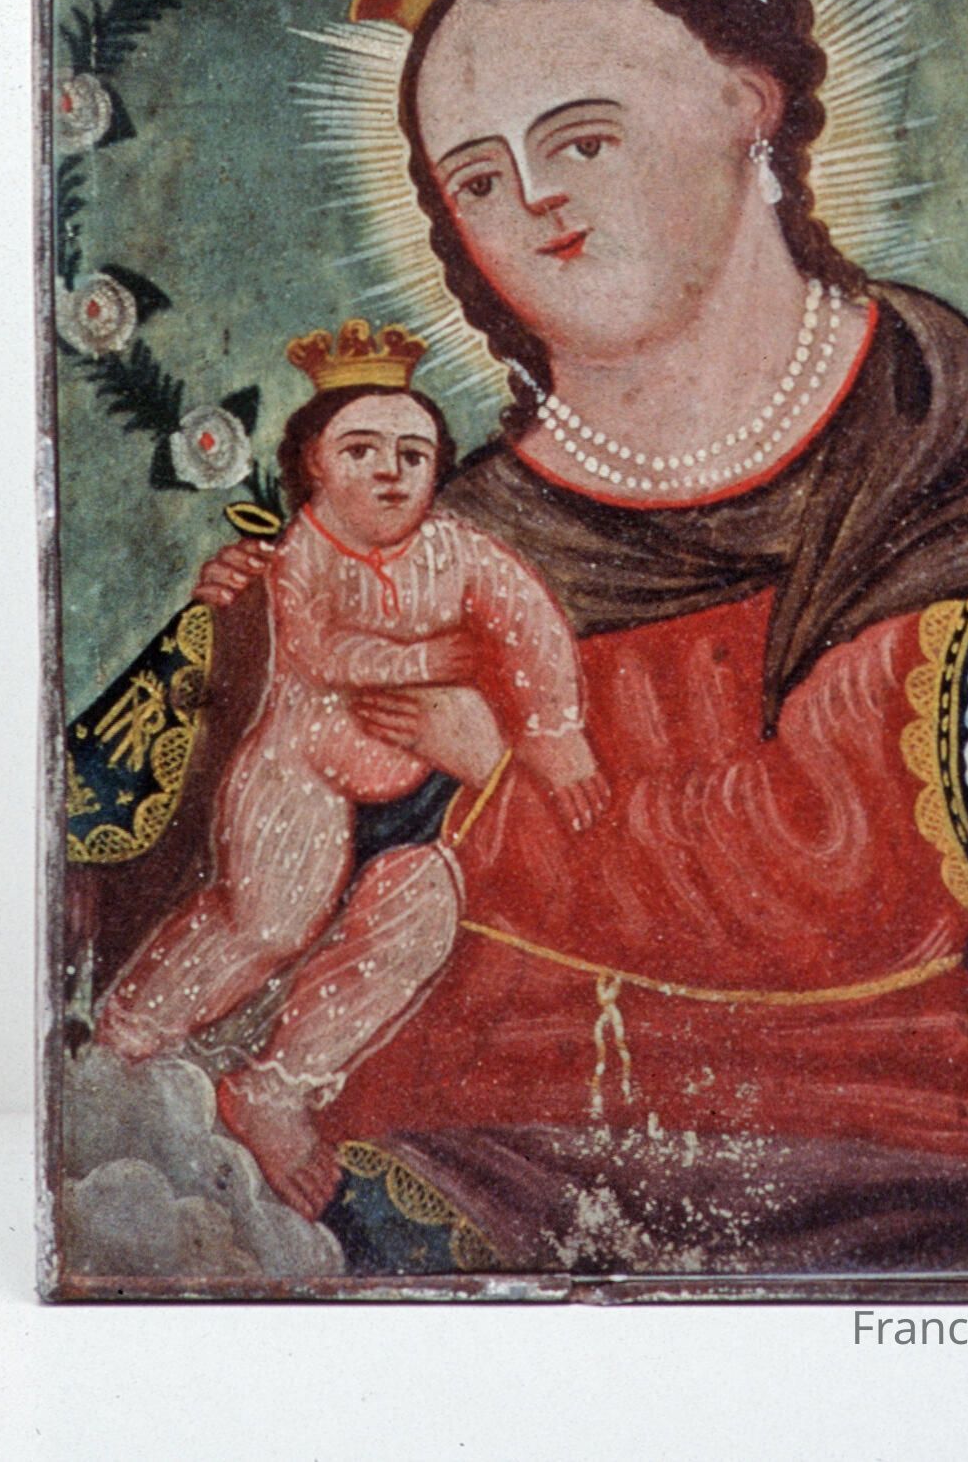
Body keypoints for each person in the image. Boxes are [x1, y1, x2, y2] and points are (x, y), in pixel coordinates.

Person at [186, 0, 968, 1271]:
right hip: (430, 1147)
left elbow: (841, 867)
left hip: (885, 1151)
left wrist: (493, 773)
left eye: (581, 138)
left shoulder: (929, 429)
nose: (533, 203)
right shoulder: (450, 522)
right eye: (476, 177)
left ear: (744, 104)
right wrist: (247, 651)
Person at [95, 318, 603, 1217]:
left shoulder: (459, 552)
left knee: (420, 916)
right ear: (314, 466)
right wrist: (436, 658)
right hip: (301, 777)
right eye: (360, 450)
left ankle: (276, 1087)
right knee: (269, 916)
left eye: (413, 453)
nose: (390, 472)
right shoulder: (302, 552)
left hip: (420, 790)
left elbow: (530, 627)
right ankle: (124, 1044)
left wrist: (556, 734)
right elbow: (325, 654)